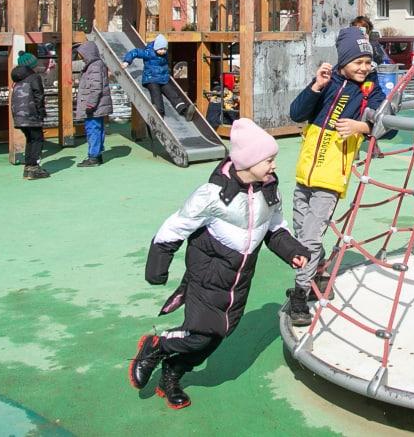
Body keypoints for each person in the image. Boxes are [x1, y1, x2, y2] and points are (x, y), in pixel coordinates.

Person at [128, 118, 309, 409]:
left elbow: (275, 227)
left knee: (219, 334)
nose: (274, 165)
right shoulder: (213, 195)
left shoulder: (269, 189)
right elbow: (175, 227)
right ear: (247, 162)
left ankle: (171, 375)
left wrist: (292, 251)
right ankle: (157, 345)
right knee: (200, 334)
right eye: (268, 160)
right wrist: (157, 268)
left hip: (238, 280)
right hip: (207, 275)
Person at [283, 27, 394, 327]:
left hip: (331, 177)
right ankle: (315, 273)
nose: (364, 67)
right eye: (357, 61)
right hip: (305, 172)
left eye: (367, 62)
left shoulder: (370, 90)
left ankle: (299, 295)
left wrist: (363, 128)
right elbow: (296, 113)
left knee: (310, 237)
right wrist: (315, 87)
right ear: (343, 60)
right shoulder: (329, 81)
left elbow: (390, 124)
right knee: (300, 232)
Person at [122, 34, 188, 119]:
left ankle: (183, 110)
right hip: (150, 79)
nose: (163, 51)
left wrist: (168, 71)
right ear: (156, 47)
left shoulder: (165, 54)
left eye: (164, 49)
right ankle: (159, 113)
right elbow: (135, 52)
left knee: (172, 93)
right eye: (161, 49)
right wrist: (127, 61)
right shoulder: (148, 52)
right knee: (156, 94)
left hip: (163, 79)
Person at [11, 50, 49, 180]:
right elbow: (39, 95)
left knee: (30, 139)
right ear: (31, 65)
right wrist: (41, 112)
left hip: (19, 116)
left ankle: (28, 167)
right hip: (31, 114)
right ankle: (33, 167)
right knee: (37, 139)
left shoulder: (17, 80)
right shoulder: (34, 77)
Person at [74, 42, 112, 167]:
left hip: (94, 106)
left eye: (81, 54)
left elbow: (95, 87)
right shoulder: (97, 65)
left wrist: (90, 104)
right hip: (98, 105)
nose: (80, 56)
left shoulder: (94, 66)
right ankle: (97, 153)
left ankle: (93, 156)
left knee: (93, 129)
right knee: (98, 128)